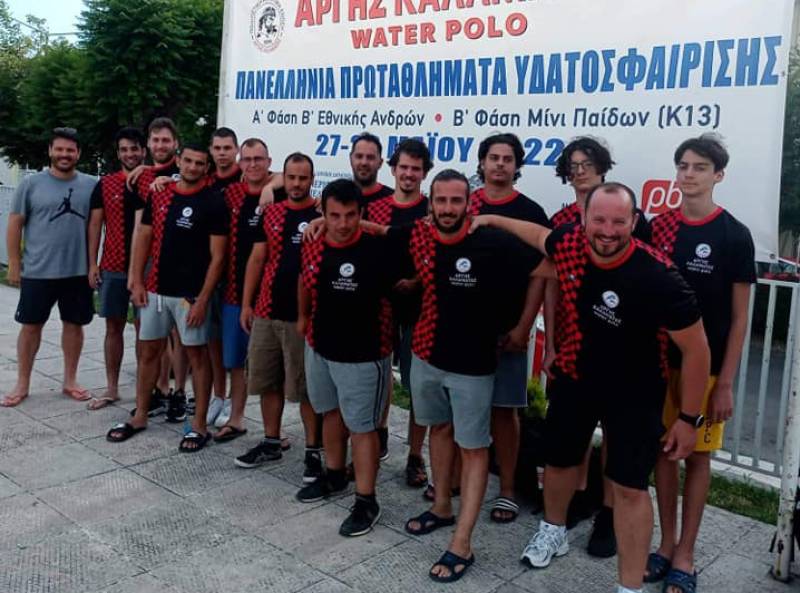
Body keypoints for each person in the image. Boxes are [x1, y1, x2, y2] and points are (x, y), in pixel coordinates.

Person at [474, 182, 710, 593]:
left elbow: (697, 350)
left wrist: (689, 419)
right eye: (599, 220)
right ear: (583, 220)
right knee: (560, 462)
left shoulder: (660, 276)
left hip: (635, 391)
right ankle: (553, 531)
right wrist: (492, 218)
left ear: (634, 222)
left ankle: (629, 587)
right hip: (576, 376)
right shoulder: (569, 244)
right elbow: (537, 235)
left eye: (619, 221)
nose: (607, 230)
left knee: (630, 488)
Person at [382, 169, 550, 582]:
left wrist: (523, 325)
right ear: (430, 204)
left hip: (475, 364)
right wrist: (321, 221)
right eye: (440, 200)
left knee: (473, 449)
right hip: (426, 354)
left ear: (469, 203)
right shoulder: (420, 234)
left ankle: (462, 542)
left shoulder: (491, 239)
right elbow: (377, 232)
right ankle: (442, 505)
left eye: (456, 200)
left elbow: (549, 255)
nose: (448, 208)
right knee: (440, 430)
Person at [647, 135, 755, 593]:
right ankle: (665, 544)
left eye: (700, 167)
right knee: (663, 453)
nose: (689, 174)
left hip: (706, 372)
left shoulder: (733, 234)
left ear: (718, 175)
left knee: (697, 456)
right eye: (683, 166)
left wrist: (725, 382)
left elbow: (739, 317)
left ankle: (686, 554)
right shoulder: (659, 227)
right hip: (658, 363)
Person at [547, 136, 653, 555]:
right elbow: (552, 284)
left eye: (587, 164)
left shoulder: (629, 219)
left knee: (614, 434)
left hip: (621, 346)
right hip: (573, 343)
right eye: (573, 165)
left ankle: (609, 513)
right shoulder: (560, 220)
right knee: (569, 432)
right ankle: (575, 501)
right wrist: (551, 343)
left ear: (602, 167)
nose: (580, 171)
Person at [294, 178, 400, 539]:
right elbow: (304, 280)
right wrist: (302, 316)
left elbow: (410, 274)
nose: (342, 223)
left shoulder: (378, 248)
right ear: (322, 213)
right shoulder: (313, 240)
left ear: (362, 213)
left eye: (350, 215)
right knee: (329, 413)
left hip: (364, 354)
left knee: (363, 428)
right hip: (320, 345)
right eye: (334, 215)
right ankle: (335, 475)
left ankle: (366, 500)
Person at [106, 144, 228, 451]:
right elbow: (144, 237)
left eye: (199, 163)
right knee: (148, 352)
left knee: (197, 357)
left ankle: (198, 425)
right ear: (180, 161)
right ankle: (140, 415)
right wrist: (137, 279)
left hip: (191, 296)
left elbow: (218, 257)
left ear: (206, 168)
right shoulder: (160, 193)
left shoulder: (213, 202)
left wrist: (203, 299)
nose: (192, 167)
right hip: (155, 290)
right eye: (188, 161)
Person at [469, 132, 550, 523]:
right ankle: (456, 479)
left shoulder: (531, 211)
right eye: (494, 157)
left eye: (507, 158)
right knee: (463, 410)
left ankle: (507, 490)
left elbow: (541, 273)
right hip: (464, 331)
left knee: (504, 412)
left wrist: (524, 326)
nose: (500, 164)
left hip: (508, 331)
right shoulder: (462, 203)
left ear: (517, 166)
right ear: (482, 162)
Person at [235, 150, 322, 482]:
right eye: (292, 177)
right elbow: (257, 259)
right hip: (266, 311)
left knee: (306, 389)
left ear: (312, 180)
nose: (297, 183)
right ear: (284, 178)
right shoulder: (271, 213)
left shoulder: (321, 214)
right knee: (267, 381)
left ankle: (313, 452)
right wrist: (247, 304)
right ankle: (272, 441)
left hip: (302, 318)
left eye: (303, 178)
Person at [2, 127, 96, 407]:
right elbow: (15, 223)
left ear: (78, 153)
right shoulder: (30, 184)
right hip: (38, 270)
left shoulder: (91, 185)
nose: (65, 154)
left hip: (77, 270)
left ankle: (70, 380)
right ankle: (22, 383)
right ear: (50, 151)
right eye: (60, 149)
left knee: (74, 325)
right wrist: (14, 262)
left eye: (70, 150)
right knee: (31, 326)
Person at [365, 137, 432, 480]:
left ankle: (416, 455)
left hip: (421, 309)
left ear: (424, 173)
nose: (408, 174)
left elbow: (441, 256)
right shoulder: (376, 207)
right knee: (376, 379)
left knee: (417, 385)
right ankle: (377, 437)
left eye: (415, 169)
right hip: (380, 305)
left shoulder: (433, 209)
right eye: (403, 167)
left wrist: (418, 280)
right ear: (392, 169)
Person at [128, 117, 188, 420]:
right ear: (148, 144)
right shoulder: (142, 178)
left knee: (180, 333)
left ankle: (179, 392)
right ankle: (160, 388)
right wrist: (134, 273)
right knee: (152, 332)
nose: (161, 145)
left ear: (175, 143)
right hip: (151, 262)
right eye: (156, 140)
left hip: (183, 265)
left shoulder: (187, 168)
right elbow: (140, 227)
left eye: (166, 140)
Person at [86, 127, 147, 409]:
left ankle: (146, 389)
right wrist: (92, 263)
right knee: (113, 327)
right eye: (124, 149)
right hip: (112, 265)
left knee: (145, 330)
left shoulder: (154, 181)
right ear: (118, 153)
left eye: (134, 148)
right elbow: (95, 225)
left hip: (147, 269)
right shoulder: (106, 184)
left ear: (143, 151)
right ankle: (112, 387)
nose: (129, 154)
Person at [206, 127, 241, 428]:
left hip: (237, 274)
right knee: (212, 340)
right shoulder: (205, 179)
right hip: (207, 273)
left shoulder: (248, 177)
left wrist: (272, 185)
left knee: (235, 346)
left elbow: (280, 176)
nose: (222, 153)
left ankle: (233, 400)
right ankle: (218, 394)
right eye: (217, 148)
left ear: (236, 150)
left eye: (227, 148)